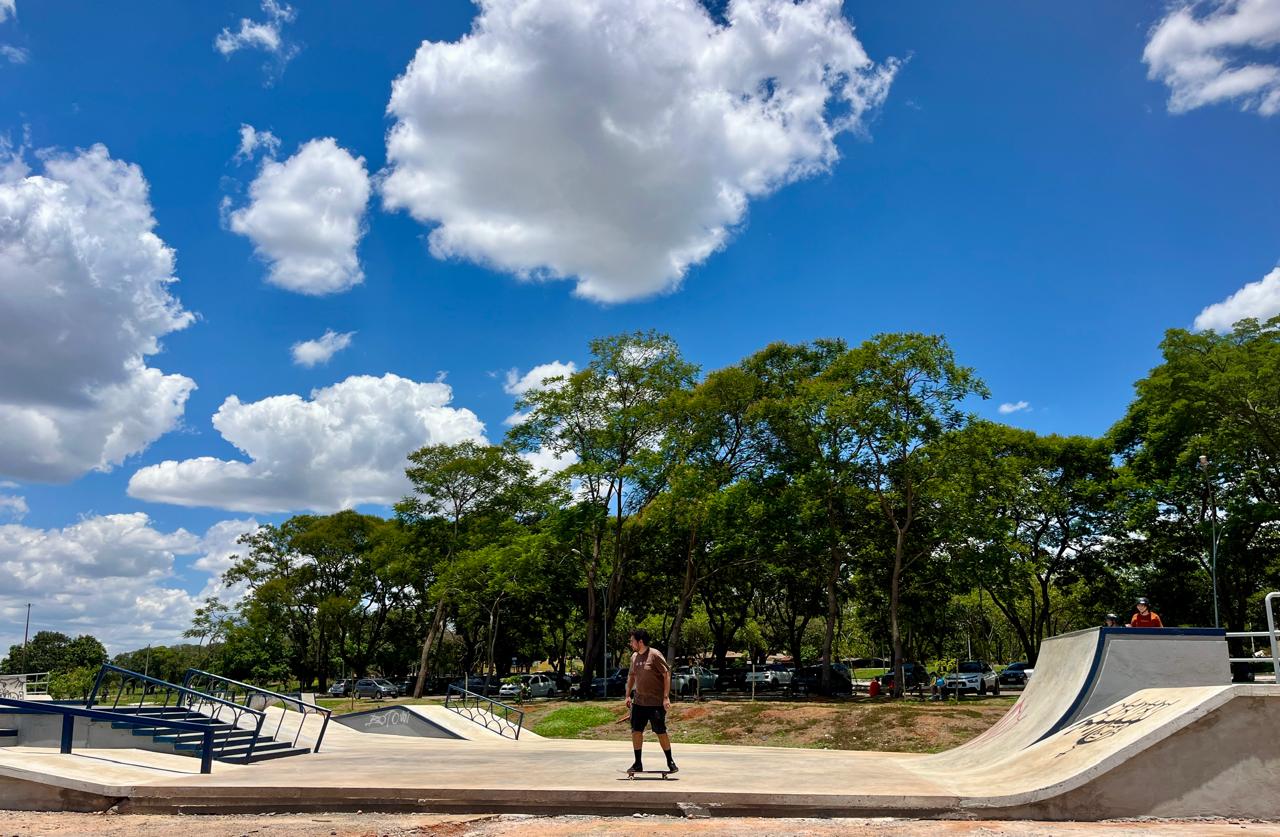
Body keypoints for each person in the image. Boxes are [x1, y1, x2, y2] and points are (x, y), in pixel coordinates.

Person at [624, 628, 677, 774]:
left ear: (640, 641)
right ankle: (637, 763)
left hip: (655, 703)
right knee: (636, 731)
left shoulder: (654, 655)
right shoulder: (634, 657)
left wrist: (666, 697)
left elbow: (666, 674)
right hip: (639, 702)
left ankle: (670, 762)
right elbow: (632, 677)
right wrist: (628, 695)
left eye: (632, 640)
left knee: (660, 731)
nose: (630, 643)